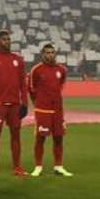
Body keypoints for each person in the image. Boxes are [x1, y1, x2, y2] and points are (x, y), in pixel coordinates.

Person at [0, 29, 28, 177]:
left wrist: (25, 103)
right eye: (4, 39)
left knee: (16, 135)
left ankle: (17, 167)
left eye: (8, 39)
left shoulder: (18, 59)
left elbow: (23, 83)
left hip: (15, 104)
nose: (7, 42)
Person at [28, 43, 71, 177]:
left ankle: (58, 166)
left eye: (52, 52)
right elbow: (31, 88)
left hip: (57, 110)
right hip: (43, 110)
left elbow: (61, 85)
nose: (50, 55)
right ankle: (38, 167)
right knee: (40, 138)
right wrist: (37, 102)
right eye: (47, 52)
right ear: (43, 54)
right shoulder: (36, 70)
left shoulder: (61, 70)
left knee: (58, 138)